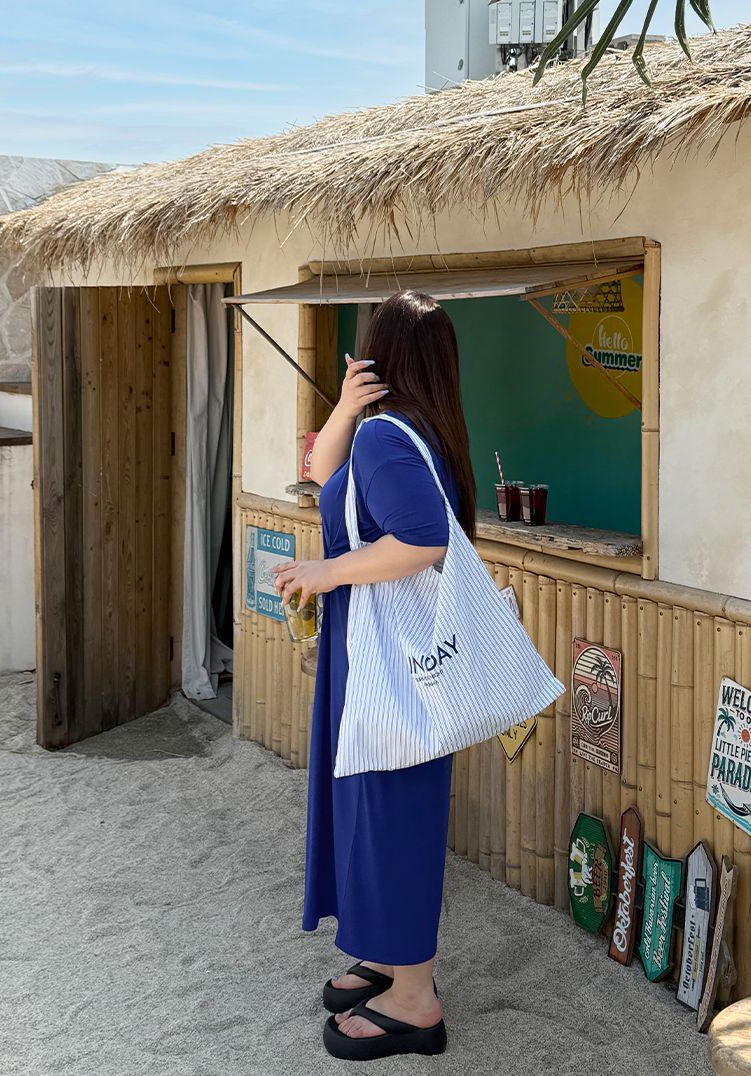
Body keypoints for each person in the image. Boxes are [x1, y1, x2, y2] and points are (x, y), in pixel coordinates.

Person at [272, 290, 477, 1061]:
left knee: (388, 812)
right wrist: (346, 408)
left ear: (383, 353)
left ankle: (415, 999)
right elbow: (325, 477)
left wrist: (325, 572)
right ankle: (391, 962)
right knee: (376, 807)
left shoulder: (391, 441)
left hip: (384, 660)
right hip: (386, 655)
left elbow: (423, 541)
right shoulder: (413, 433)